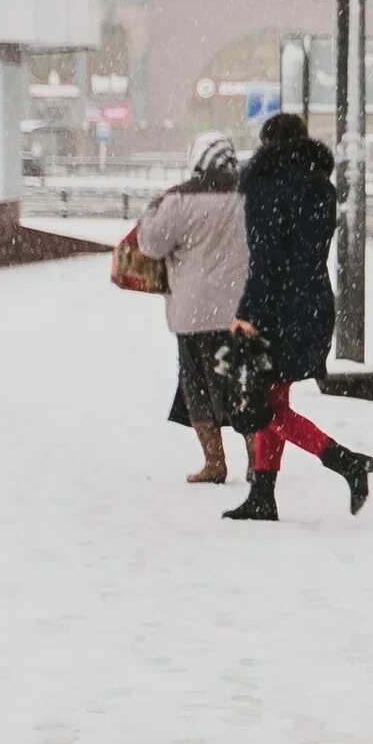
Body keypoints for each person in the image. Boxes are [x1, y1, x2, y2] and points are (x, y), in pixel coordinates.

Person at [223, 113, 373, 522]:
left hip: (276, 306)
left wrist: (249, 313)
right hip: (312, 302)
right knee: (273, 396)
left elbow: (266, 258)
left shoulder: (265, 186)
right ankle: (263, 496)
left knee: (265, 409)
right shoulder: (320, 188)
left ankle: (346, 462)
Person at [138, 132, 250, 483]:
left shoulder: (179, 200)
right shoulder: (252, 196)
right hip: (240, 309)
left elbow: (151, 245)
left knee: (197, 387)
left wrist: (151, 212)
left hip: (194, 311)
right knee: (243, 389)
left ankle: (215, 462)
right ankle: (256, 461)